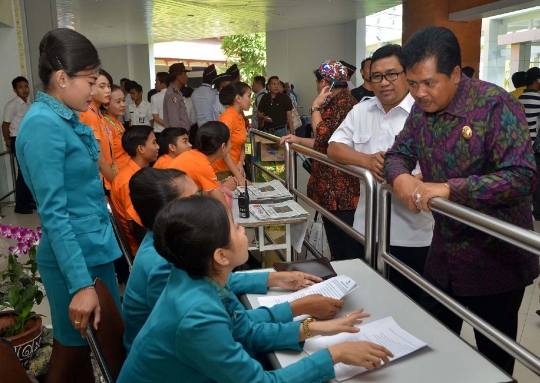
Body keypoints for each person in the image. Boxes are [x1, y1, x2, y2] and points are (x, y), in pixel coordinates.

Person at [384, 26, 539, 375]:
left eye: (429, 83)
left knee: (492, 360)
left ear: (455, 74)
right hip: (444, 254)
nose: (419, 93)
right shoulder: (421, 111)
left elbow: (522, 176)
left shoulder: (495, 105)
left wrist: (452, 189)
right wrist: (402, 176)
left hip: (495, 260)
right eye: (412, 83)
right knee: (434, 346)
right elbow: (397, 153)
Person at [117, 196, 394, 383]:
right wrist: (335, 355)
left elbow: (245, 329)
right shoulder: (197, 316)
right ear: (221, 256)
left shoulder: (196, 276)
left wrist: (314, 328)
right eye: (236, 227)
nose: (243, 230)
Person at [123, 167, 345, 352]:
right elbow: (235, 335)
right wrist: (307, 323)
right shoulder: (163, 266)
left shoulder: (173, 248)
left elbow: (232, 315)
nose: (204, 203)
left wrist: (273, 279)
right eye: (194, 199)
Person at [15, 28, 122, 382]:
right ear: (62, 78)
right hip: (73, 260)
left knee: (95, 345)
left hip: (91, 248)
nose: (95, 91)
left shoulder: (63, 117)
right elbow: (54, 215)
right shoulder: (42, 126)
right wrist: (80, 284)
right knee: (75, 348)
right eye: (90, 81)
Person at [328, 46, 434, 303]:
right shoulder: (361, 110)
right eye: (376, 76)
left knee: (409, 307)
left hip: (413, 236)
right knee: (368, 301)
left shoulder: (425, 113)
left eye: (391, 74)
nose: (384, 83)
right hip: (366, 229)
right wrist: (366, 160)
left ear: (406, 74)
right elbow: (334, 147)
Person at [280, 61, 363, 262]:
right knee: (336, 243)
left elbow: (322, 135)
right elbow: (324, 143)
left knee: (345, 247)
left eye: (318, 82)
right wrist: (299, 140)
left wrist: (315, 107)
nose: (317, 87)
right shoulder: (336, 104)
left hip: (340, 190)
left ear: (326, 83)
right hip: (330, 188)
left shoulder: (344, 105)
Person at [111, 125, 159, 256]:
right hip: (143, 249)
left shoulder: (140, 173)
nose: (158, 147)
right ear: (141, 149)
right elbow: (136, 227)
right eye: (154, 143)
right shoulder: (129, 180)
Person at [169, 121, 232, 209]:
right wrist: (231, 222)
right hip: (177, 209)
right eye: (230, 141)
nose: (231, 146)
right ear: (223, 147)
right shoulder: (203, 165)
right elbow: (222, 205)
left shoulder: (192, 155)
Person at [79, 68, 116, 191]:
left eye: (109, 86)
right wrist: (117, 184)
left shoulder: (98, 115)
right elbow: (100, 161)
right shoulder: (88, 115)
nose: (107, 90)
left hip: (106, 177)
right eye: (102, 86)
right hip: (99, 181)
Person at [2, 76, 33, 214]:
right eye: (21, 87)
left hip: (28, 140)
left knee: (30, 172)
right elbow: (5, 125)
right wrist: (8, 142)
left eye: (26, 86)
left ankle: (28, 201)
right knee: (23, 172)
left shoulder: (29, 104)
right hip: (17, 139)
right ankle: (20, 205)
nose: (25, 89)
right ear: (15, 90)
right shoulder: (12, 105)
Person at [212, 82, 250, 183]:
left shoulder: (241, 117)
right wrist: (240, 178)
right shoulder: (227, 119)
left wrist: (241, 162)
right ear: (238, 98)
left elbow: (246, 143)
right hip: (223, 170)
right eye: (249, 96)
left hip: (236, 167)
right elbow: (224, 152)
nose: (251, 100)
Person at [518, 67, 540, 220]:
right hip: (534, 146)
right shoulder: (538, 99)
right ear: (537, 81)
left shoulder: (519, 97)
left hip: (522, 144)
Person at [103, 84, 130, 171]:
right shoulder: (105, 125)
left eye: (124, 100)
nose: (123, 105)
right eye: (118, 102)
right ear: (106, 105)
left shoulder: (118, 122)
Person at [163, 62, 191, 130]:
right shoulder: (173, 95)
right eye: (184, 74)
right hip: (178, 135)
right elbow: (174, 122)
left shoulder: (176, 92)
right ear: (178, 77)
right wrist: (178, 138)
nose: (187, 77)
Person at [150, 71, 170, 137]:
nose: (155, 84)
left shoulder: (154, 97)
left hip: (160, 131)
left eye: (157, 82)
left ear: (163, 84)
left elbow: (156, 118)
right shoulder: (177, 95)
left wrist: (168, 126)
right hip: (173, 131)